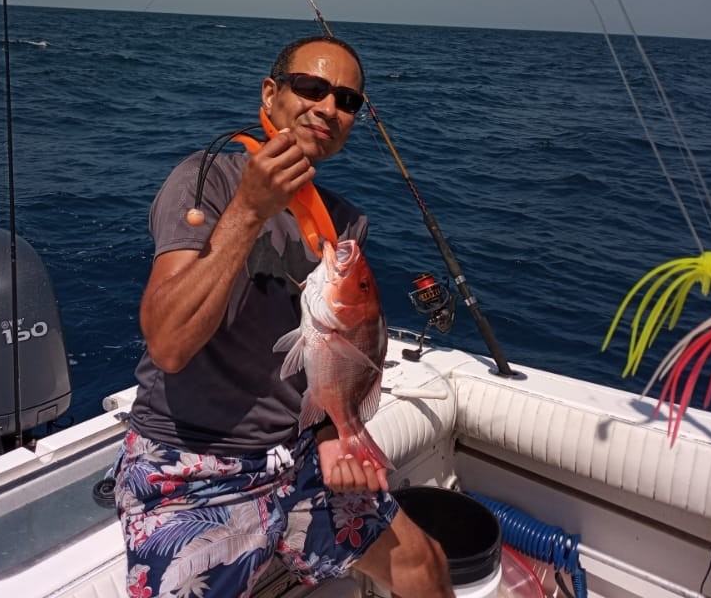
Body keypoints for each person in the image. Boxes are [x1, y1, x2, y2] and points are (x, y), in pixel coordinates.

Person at [112, 35, 454, 598]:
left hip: (294, 458)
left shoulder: (343, 224)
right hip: (190, 466)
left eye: (347, 100)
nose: (328, 107)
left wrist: (331, 432)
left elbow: (337, 353)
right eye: (311, 87)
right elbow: (168, 343)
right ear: (270, 96)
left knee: (425, 564)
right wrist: (249, 211)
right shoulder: (208, 181)